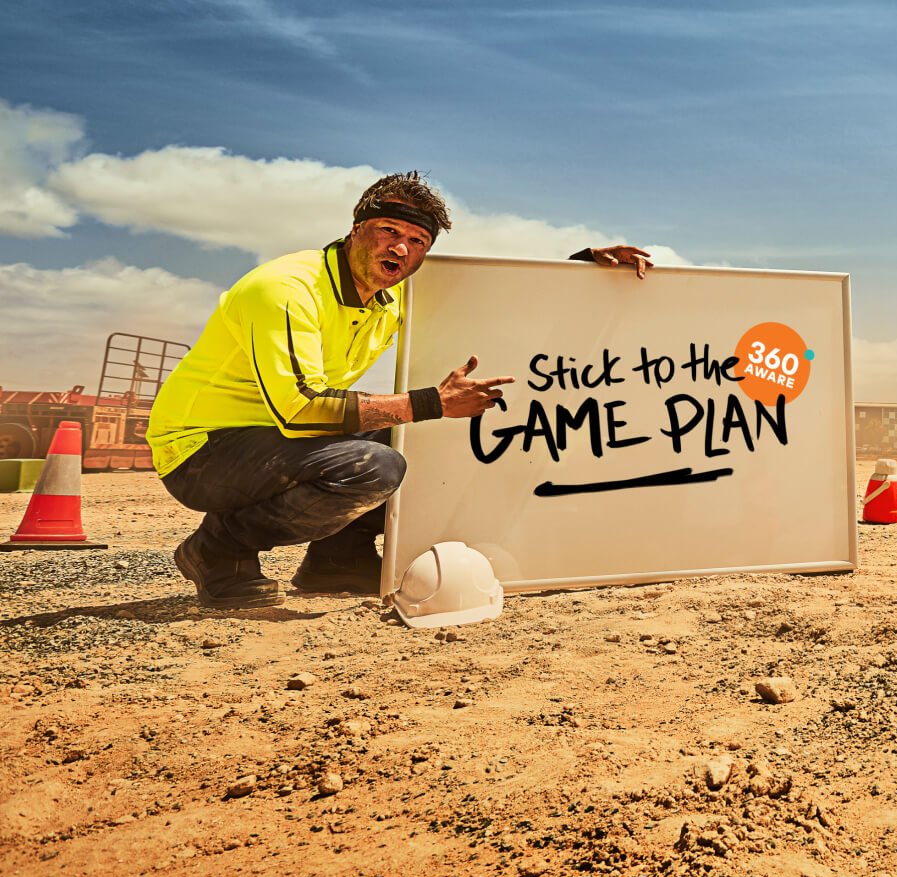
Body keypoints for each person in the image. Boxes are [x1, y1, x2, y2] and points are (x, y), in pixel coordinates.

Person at [148, 172, 655, 609]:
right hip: (201, 448)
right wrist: (433, 403)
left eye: (417, 241)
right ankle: (217, 548)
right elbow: (300, 408)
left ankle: (336, 561)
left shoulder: (389, 295)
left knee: (410, 442)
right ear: (355, 230)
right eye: (389, 231)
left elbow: (497, 297)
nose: (400, 248)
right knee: (377, 462)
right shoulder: (285, 289)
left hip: (274, 441)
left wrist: (583, 265)